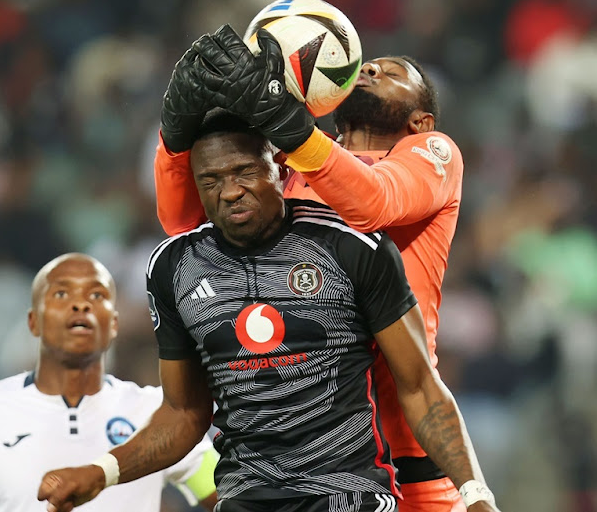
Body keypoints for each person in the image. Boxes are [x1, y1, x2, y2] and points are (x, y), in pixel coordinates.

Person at [37, 115, 499, 512]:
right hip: (246, 496)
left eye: (243, 171)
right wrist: (102, 472)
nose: (231, 192)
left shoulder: (351, 246)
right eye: (211, 181)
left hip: (349, 495)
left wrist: (475, 493)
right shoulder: (173, 267)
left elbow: (419, 386)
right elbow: (182, 414)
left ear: (278, 166)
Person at [154, 24, 466, 511]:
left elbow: (372, 201)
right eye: (369, 64)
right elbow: (183, 221)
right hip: (319, 463)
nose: (370, 66)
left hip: (413, 452)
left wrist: (289, 124)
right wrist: (173, 138)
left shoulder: (431, 155)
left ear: (421, 121)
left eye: (393, 72)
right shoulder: (293, 165)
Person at [0, 252, 218, 512]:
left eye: (96, 295)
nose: (80, 305)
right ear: (33, 321)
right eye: (62, 294)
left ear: (113, 324)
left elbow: (229, 496)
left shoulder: (158, 412)